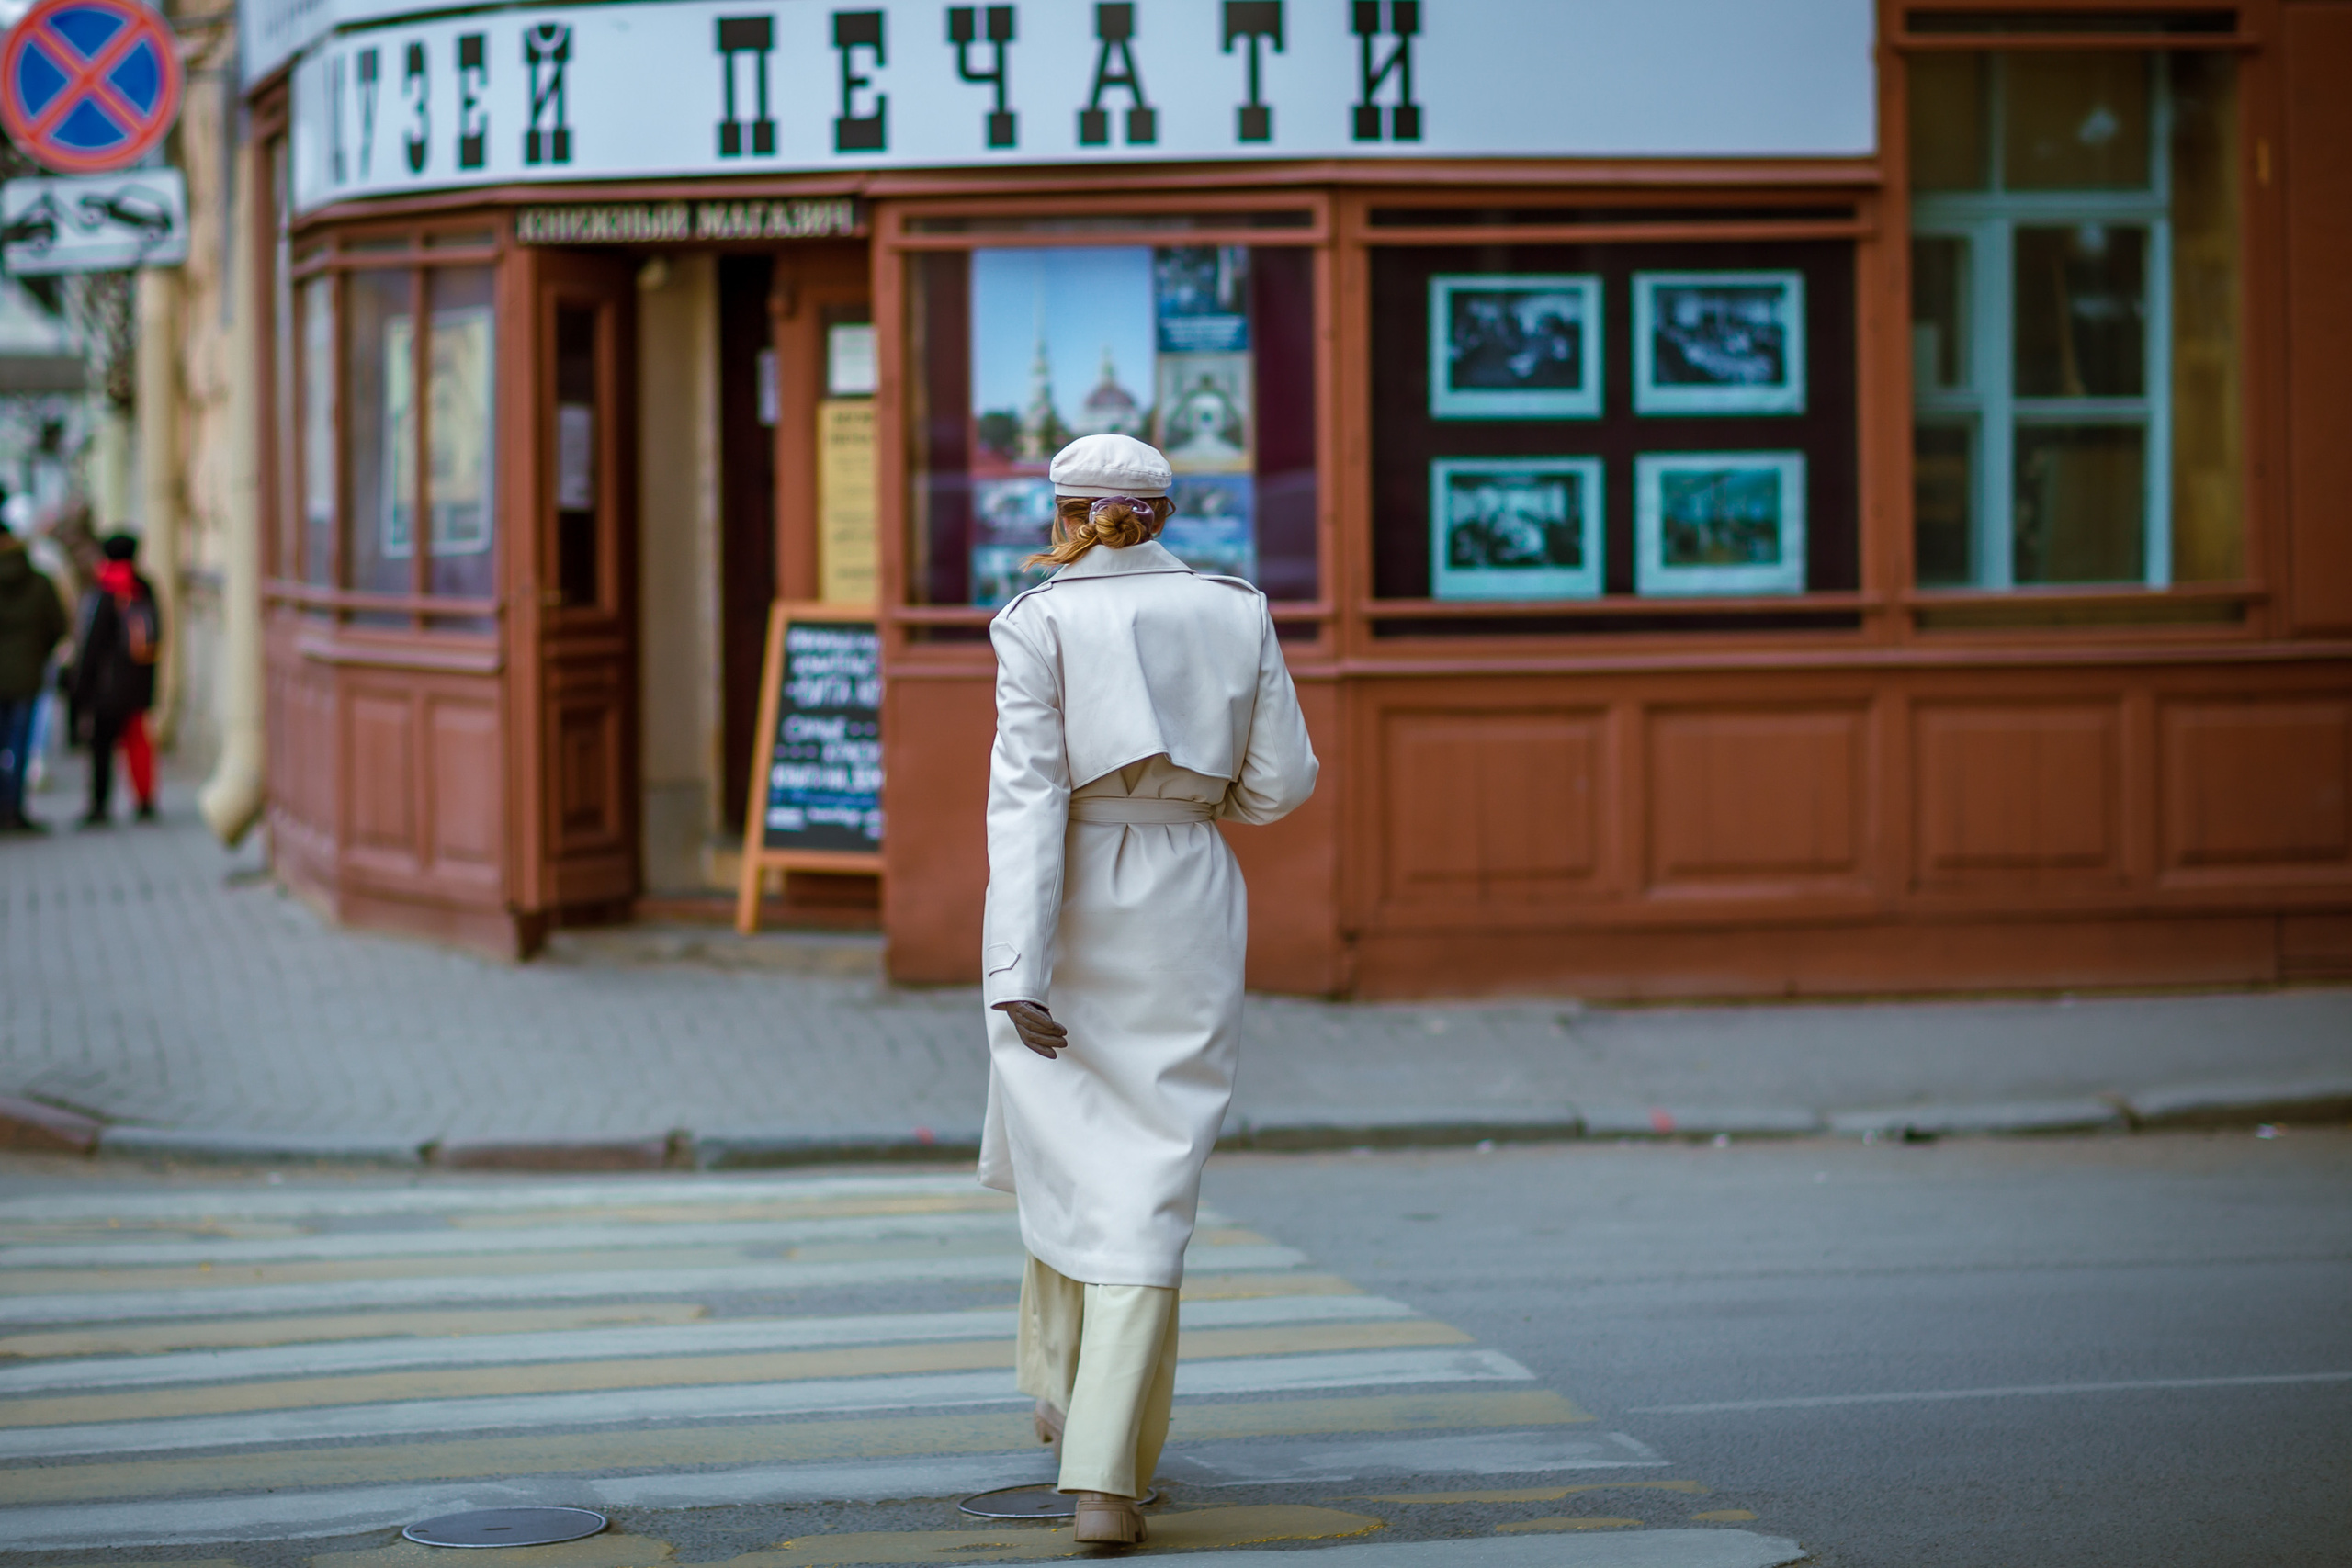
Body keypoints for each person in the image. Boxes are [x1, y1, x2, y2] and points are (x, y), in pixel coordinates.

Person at [978, 433, 1318, 1545]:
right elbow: (1280, 788)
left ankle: (1092, 1462)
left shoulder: (1036, 622)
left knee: (1071, 1146)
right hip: (1186, 897)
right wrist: (1192, 805)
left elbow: (1025, 810)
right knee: (1151, 1174)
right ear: (1163, 517)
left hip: (1070, 901)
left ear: (1067, 511)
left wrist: (1017, 972)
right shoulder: (1238, 608)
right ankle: (1093, 1448)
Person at [70, 532, 161, 827]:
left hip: (105, 687)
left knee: (101, 747)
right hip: (137, 682)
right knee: (138, 742)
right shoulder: (145, 588)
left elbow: (92, 645)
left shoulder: (104, 590)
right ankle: (145, 800)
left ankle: (99, 805)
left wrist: (80, 687)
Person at [0, 513, 69, 833]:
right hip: (27, 674)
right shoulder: (39, 581)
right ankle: (14, 810)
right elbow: (59, 625)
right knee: (20, 746)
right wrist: (37, 653)